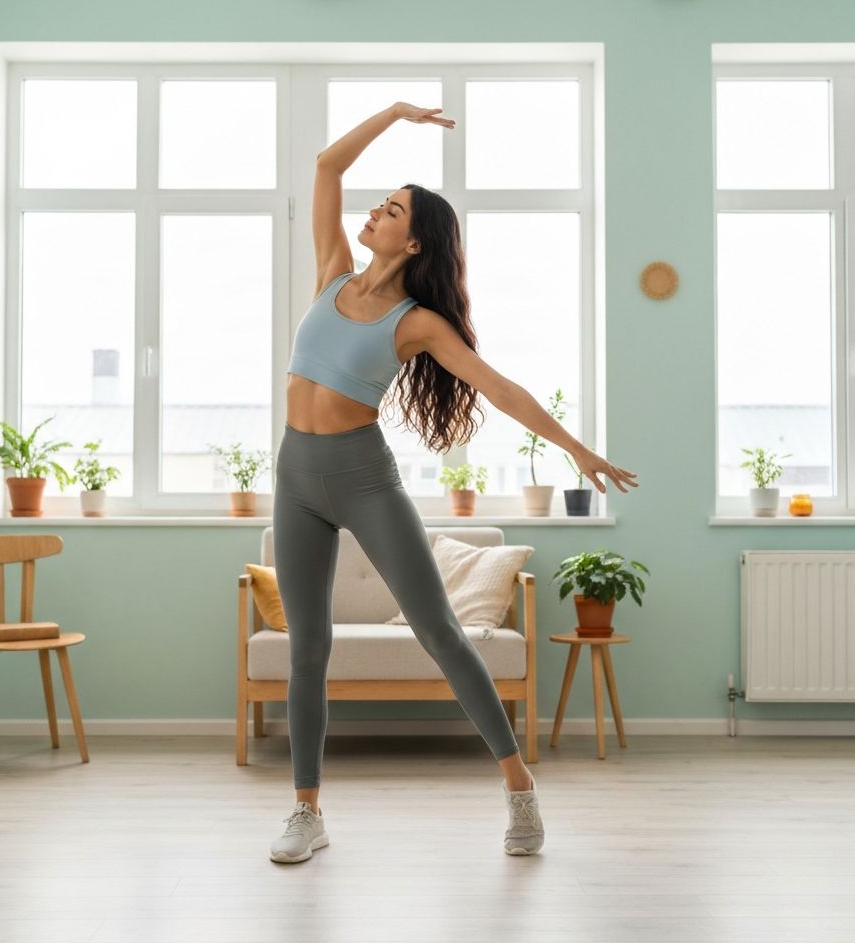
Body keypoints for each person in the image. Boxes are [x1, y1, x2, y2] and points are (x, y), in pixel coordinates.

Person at [269, 101, 638, 864]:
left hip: (363, 478)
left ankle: (520, 791)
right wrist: (395, 114)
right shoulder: (332, 273)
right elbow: (328, 166)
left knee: (439, 631)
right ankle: (306, 812)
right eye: (381, 203)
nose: (376, 211)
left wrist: (576, 448)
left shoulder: (417, 323)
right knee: (308, 649)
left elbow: (498, 387)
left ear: (413, 241)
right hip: (295, 475)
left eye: (392, 209)